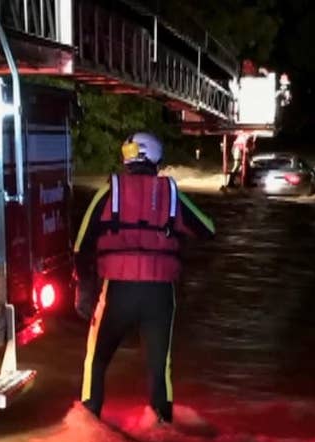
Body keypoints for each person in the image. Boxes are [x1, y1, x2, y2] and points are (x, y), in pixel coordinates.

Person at [73, 131, 216, 424]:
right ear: (156, 158)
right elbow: (207, 229)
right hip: (160, 295)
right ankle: (162, 425)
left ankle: (88, 423)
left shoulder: (109, 191)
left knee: (96, 361)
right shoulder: (172, 194)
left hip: (118, 292)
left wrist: (84, 290)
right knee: (158, 367)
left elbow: (80, 245)